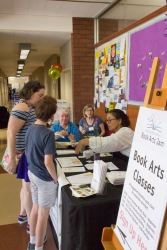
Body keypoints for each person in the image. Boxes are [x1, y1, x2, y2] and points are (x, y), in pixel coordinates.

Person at [6, 80, 45, 231]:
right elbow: (11, 132)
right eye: (39, 95)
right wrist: (12, 159)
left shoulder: (29, 107)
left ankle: (23, 214)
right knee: (29, 188)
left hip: (27, 153)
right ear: (30, 93)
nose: (41, 98)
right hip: (23, 154)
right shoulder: (22, 107)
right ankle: (31, 224)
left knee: (25, 187)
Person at [25, 96, 58, 250]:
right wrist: (56, 179)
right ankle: (38, 247)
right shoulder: (48, 134)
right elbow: (48, 162)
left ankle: (32, 241)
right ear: (51, 116)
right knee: (43, 215)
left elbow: (27, 151)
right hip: (45, 179)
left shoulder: (30, 128)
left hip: (32, 173)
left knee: (35, 208)